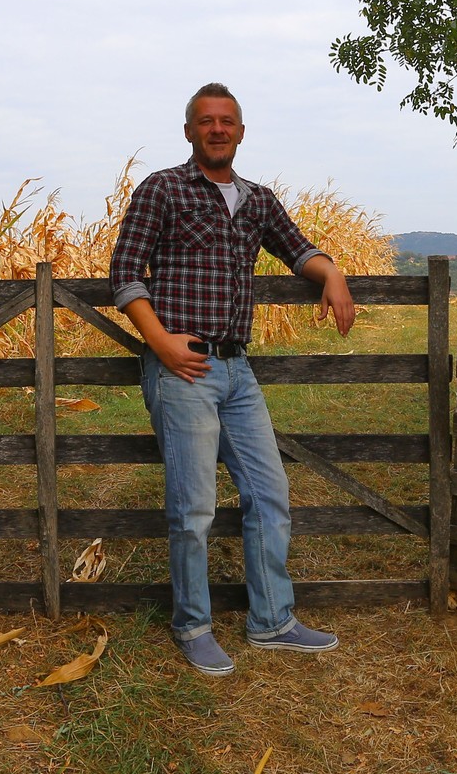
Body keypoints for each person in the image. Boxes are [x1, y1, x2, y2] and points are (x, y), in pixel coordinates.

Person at [109, 83, 358, 675]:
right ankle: (192, 624)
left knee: (270, 494)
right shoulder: (162, 189)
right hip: (183, 366)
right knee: (193, 507)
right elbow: (123, 274)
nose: (217, 130)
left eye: (227, 122)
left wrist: (335, 273)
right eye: (206, 121)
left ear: (241, 132)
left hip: (237, 368)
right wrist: (162, 342)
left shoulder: (257, 200)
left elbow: (300, 251)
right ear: (190, 131)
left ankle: (272, 620)